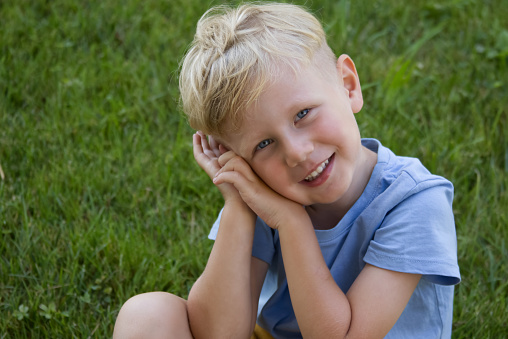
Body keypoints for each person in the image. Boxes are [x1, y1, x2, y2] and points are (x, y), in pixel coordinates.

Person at [113, 2, 460, 338]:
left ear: (348, 85)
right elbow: (218, 334)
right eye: (263, 145)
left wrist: (291, 222)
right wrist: (238, 205)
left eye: (303, 114)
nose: (296, 153)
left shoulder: (415, 202)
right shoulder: (264, 193)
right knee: (146, 316)